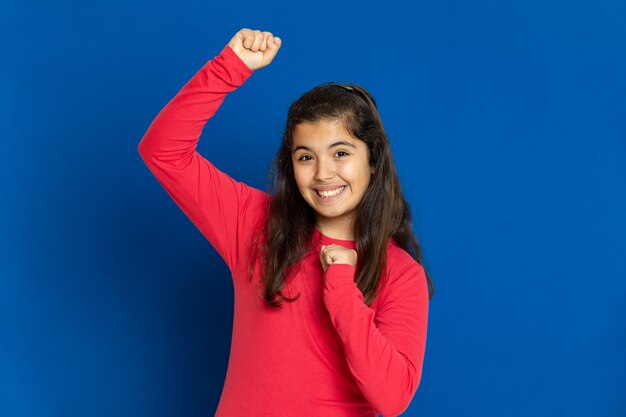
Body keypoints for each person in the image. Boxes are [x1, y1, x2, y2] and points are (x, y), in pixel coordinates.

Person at [138, 28, 434, 417]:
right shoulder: (256, 225)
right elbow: (162, 151)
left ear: (373, 161)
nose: (324, 174)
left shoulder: (400, 274)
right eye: (306, 157)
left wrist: (342, 290)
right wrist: (229, 67)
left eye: (341, 152)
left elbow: (392, 399)